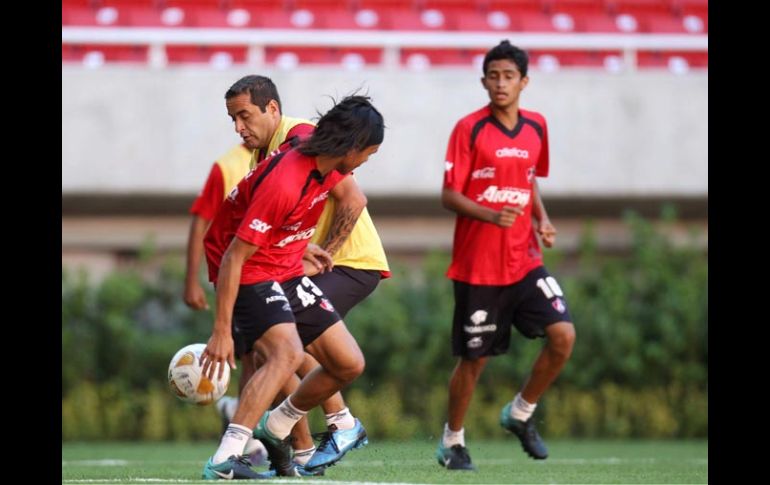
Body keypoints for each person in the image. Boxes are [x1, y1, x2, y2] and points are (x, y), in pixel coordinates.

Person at [199, 94, 385, 480]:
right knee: (285, 353)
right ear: (351, 147)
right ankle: (225, 458)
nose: (367, 161)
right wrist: (221, 331)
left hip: (283, 264)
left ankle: (277, 427)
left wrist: (298, 245)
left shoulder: (327, 165)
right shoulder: (286, 180)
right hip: (248, 267)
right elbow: (233, 256)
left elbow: (309, 214)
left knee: (348, 362)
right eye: (368, 154)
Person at [436, 40, 576, 471]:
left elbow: (528, 178)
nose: (501, 83)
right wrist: (491, 214)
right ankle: (452, 441)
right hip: (478, 266)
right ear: (484, 82)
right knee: (474, 361)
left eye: (509, 76)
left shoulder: (536, 126)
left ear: (524, 82)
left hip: (524, 260)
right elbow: (449, 195)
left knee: (563, 336)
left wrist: (542, 219)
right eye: (493, 76)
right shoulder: (469, 128)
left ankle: (520, 412)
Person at [184, 75, 314, 312]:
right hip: (276, 264)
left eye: (244, 116)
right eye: (233, 119)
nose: (238, 127)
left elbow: (350, 196)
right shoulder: (231, 165)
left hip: (323, 261)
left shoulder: (300, 141)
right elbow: (201, 221)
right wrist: (192, 280)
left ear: (272, 108)